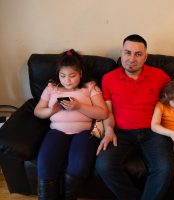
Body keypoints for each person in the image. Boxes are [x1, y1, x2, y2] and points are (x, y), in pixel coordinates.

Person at [95, 34, 174, 200]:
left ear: (145, 57)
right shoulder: (108, 78)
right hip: (121, 133)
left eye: (138, 54)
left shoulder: (160, 76)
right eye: (127, 52)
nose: (132, 58)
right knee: (104, 166)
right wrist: (109, 129)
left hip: (154, 132)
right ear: (121, 53)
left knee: (165, 168)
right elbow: (108, 111)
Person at [34, 49, 108, 200]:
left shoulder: (90, 86)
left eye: (72, 76)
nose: (67, 80)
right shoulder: (52, 87)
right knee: (45, 162)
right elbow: (37, 111)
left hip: (83, 133)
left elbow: (103, 113)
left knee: (78, 165)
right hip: (57, 132)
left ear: (80, 73)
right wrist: (51, 110)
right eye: (63, 76)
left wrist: (79, 106)